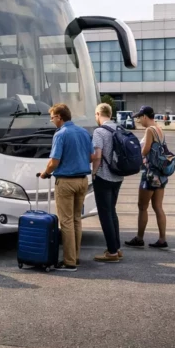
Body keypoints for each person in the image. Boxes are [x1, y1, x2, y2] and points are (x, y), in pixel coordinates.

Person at [39, 103, 93, 271]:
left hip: (66, 182)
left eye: (53, 117)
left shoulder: (60, 134)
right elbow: (91, 157)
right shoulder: (83, 132)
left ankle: (69, 262)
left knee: (66, 222)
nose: (52, 120)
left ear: (60, 117)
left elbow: (54, 161)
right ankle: (75, 256)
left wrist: (45, 173)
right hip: (83, 181)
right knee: (77, 219)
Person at [125, 106, 169, 249]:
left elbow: (146, 149)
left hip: (150, 174)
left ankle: (139, 238)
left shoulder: (149, 130)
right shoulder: (159, 129)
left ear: (145, 116)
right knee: (158, 206)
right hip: (161, 174)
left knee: (142, 206)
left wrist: (136, 155)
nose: (138, 120)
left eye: (139, 117)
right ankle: (162, 239)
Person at [91, 102, 125, 263]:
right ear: (110, 114)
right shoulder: (119, 128)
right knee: (112, 211)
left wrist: (93, 172)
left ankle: (111, 252)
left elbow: (97, 156)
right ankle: (116, 248)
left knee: (105, 214)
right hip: (118, 176)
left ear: (98, 114)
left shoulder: (99, 131)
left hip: (104, 176)